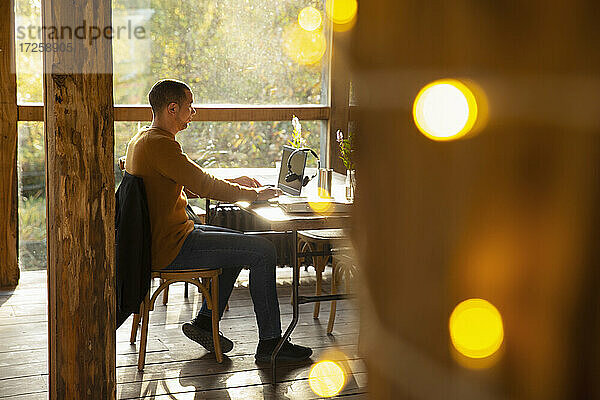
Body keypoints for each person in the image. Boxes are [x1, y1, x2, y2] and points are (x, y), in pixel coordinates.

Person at [124, 79, 312, 363]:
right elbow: (205, 185)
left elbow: (189, 183)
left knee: (237, 248)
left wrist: (235, 182)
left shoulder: (142, 139)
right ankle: (271, 344)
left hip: (166, 237)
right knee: (264, 252)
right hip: (171, 246)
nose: (193, 112)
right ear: (172, 108)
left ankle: (204, 323)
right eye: (190, 107)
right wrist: (255, 195)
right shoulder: (161, 145)